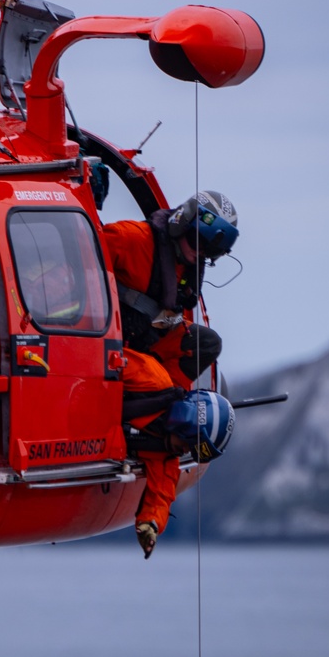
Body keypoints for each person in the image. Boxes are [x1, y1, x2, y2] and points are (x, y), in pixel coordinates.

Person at [101, 190, 239, 391]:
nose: (200, 252)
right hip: (107, 348)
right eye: (197, 240)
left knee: (207, 342)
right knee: (158, 382)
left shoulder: (186, 266)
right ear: (181, 223)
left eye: (210, 250)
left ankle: (167, 398)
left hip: (142, 346)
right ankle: (156, 394)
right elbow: (76, 267)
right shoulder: (129, 238)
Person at [125, 388, 236, 557]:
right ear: (186, 420)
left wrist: (151, 526)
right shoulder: (155, 381)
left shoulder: (166, 460)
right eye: (189, 443)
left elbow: (160, 497)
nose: (185, 450)